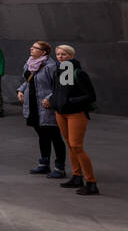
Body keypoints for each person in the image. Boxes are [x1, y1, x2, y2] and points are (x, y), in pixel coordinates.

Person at [50, 44, 99, 195]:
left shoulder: (78, 73)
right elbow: (58, 91)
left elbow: (91, 96)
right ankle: (77, 176)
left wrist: (71, 101)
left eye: (64, 54)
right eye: (58, 54)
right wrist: (54, 102)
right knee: (70, 145)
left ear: (71, 56)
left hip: (76, 114)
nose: (60, 56)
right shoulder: (59, 71)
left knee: (76, 146)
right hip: (61, 113)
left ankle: (91, 182)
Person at [16, 40, 67, 178]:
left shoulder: (51, 66)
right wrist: (20, 90)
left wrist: (50, 98)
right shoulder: (29, 64)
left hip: (46, 107)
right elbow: (28, 81)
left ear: (43, 52)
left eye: (35, 48)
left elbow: (59, 87)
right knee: (42, 135)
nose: (31, 49)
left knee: (54, 136)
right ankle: (44, 164)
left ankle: (59, 167)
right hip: (32, 105)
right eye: (31, 47)